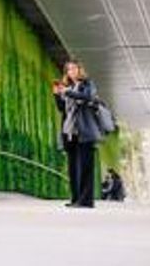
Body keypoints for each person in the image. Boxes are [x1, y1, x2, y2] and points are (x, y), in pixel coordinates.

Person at [53, 60, 103, 208]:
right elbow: (63, 109)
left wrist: (68, 92)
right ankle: (75, 198)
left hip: (84, 130)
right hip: (70, 132)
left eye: (74, 69)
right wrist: (57, 95)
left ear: (80, 70)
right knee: (73, 166)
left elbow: (87, 97)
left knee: (85, 166)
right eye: (68, 70)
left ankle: (86, 200)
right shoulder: (69, 87)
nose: (71, 72)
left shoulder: (87, 84)